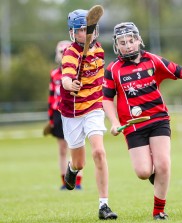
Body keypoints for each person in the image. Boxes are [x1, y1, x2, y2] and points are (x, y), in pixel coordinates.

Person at [102, 22, 182, 220]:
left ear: (138, 40)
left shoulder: (152, 60)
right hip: (133, 126)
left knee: (163, 165)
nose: (127, 45)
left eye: (131, 41)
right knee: (143, 172)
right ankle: (155, 176)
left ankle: (158, 211)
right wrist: (114, 121)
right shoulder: (113, 69)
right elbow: (106, 99)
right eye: (122, 42)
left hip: (158, 119)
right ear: (116, 45)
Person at [58, 9, 117, 220]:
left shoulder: (99, 51)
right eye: (81, 30)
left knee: (99, 152)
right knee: (80, 163)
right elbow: (66, 77)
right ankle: (72, 169)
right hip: (72, 112)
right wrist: (70, 84)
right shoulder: (71, 53)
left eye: (89, 29)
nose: (86, 34)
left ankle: (104, 205)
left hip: (93, 108)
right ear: (73, 33)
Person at [45, 40, 82, 190]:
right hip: (57, 113)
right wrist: (50, 119)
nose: (63, 54)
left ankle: (77, 181)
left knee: (76, 146)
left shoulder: (76, 73)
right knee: (62, 149)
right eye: (61, 52)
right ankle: (64, 181)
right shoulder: (54, 74)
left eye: (66, 51)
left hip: (72, 110)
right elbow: (51, 96)